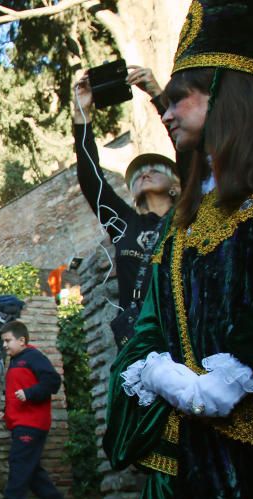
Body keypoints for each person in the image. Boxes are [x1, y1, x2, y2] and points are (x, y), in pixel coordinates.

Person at [104, 3, 253, 499]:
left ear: (228, 95)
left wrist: (239, 373)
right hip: (193, 442)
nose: (168, 113)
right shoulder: (180, 226)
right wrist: (148, 370)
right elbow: (153, 316)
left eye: (182, 98)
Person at [72, 65, 180, 348]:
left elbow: (190, 150)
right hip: (143, 341)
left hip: (188, 328)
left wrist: (157, 94)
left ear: (177, 185)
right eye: (137, 174)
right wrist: (81, 114)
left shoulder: (188, 216)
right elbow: (90, 178)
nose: (144, 172)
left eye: (156, 168)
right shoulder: (124, 223)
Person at [0, 320, 69, 499]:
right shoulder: (15, 361)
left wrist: (30, 393)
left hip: (32, 423)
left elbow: (52, 382)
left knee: (19, 463)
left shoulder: (33, 357)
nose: (4, 345)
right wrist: (5, 413)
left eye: (7, 341)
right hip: (21, 423)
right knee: (29, 467)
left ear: (22, 340)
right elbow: (17, 393)